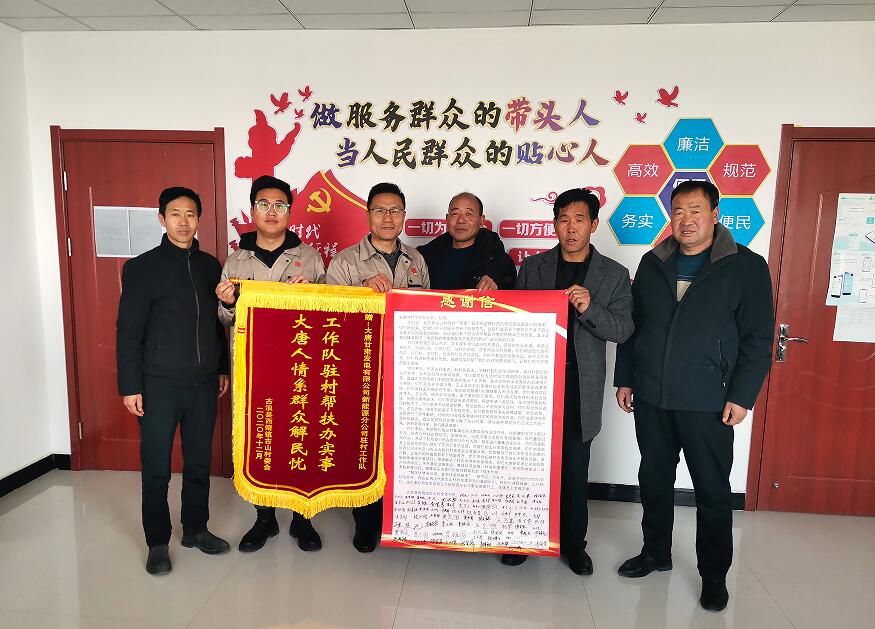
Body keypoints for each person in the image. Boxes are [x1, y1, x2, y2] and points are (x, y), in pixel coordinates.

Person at [613, 180, 774, 611]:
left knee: (712, 490)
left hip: (709, 400)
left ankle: (714, 575)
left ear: (715, 214)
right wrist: (625, 378)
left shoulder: (745, 266)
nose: (686, 220)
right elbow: (634, 326)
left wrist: (742, 395)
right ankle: (655, 552)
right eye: (679, 211)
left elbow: (758, 339)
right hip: (653, 395)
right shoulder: (654, 262)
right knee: (654, 480)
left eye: (696, 210)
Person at [513, 188, 634, 574]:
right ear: (554, 224)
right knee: (527, 466)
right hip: (534, 383)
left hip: (580, 385)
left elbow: (623, 330)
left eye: (579, 220)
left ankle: (573, 545)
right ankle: (522, 537)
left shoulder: (613, 275)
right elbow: (512, 320)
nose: (570, 228)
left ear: (593, 225)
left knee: (574, 470)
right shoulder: (533, 268)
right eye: (563, 219)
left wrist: (589, 307)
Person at [116, 186, 231, 576]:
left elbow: (217, 325)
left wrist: (221, 368)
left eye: (191, 214)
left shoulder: (211, 266)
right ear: (161, 218)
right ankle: (157, 542)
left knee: (199, 462)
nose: (184, 222)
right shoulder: (142, 268)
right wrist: (130, 386)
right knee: (157, 468)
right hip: (158, 385)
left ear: (199, 220)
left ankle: (195, 529)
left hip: (203, 384)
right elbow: (128, 332)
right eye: (175, 214)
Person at [214, 175, 326, 554]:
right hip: (253, 370)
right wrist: (227, 302)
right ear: (253, 210)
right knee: (259, 439)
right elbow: (225, 318)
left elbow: (329, 316)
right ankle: (264, 518)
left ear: (290, 212)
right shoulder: (236, 259)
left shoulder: (309, 257)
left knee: (300, 436)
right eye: (264, 204)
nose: (272, 212)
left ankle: (302, 517)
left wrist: (312, 295)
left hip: (300, 367)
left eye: (280, 205)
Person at [326, 182, 430, 552]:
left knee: (403, 445)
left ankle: (397, 518)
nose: (388, 218)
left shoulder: (416, 261)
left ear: (404, 216)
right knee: (364, 446)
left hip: (407, 369)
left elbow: (427, 313)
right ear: (368, 214)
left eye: (395, 210)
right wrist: (361, 291)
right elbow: (332, 318)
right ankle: (366, 522)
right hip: (361, 370)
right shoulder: (345, 262)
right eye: (380, 210)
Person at [417, 191, 516, 290]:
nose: (461, 220)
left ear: (481, 220)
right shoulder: (425, 257)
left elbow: (508, 282)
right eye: (455, 214)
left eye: (468, 214)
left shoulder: (498, 260)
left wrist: (497, 283)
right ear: (447, 218)